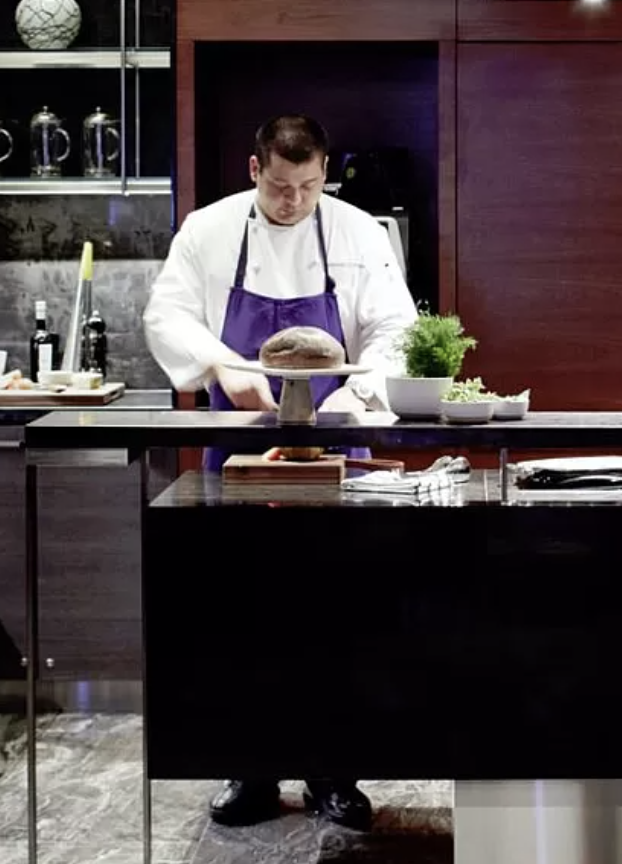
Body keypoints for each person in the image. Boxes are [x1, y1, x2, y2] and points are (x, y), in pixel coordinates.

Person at [143, 113, 418, 831]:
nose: (293, 201)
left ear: (325, 173)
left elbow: (396, 327)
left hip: (339, 449)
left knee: (340, 613)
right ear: (253, 168)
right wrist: (223, 368)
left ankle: (334, 773)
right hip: (237, 448)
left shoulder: (359, 232)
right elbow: (167, 316)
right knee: (241, 610)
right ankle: (251, 769)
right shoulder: (207, 230)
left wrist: (357, 395)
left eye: (308, 186)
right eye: (279, 186)